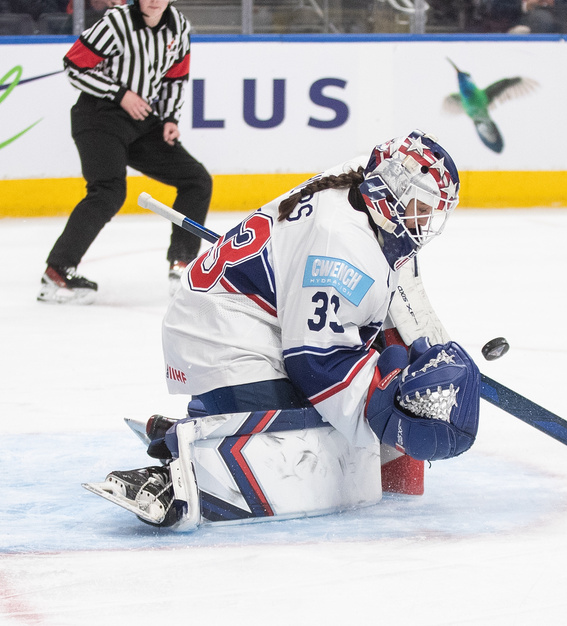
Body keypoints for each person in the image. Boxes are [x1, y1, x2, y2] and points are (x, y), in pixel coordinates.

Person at [85, 130, 482, 530]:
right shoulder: (341, 246)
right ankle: (175, 474)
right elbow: (315, 362)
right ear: (391, 192)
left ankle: (202, 425)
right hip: (223, 335)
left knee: (340, 436)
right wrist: (386, 402)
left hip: (246, 319)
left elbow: (386, 284)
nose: (427, 219)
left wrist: (414, 344)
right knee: (307, 453)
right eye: (421, 205)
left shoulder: (359, 182)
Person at [38, 0, 211, 304]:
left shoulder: (179, 27)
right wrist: (120, 94)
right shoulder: (117, 21)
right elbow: (74, 65)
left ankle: (182, 264)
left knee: (196, 180)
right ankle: (57, 271)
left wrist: (170, 118)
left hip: (141, 121)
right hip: (98, 115)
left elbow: (175, 78)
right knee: (109, 191)